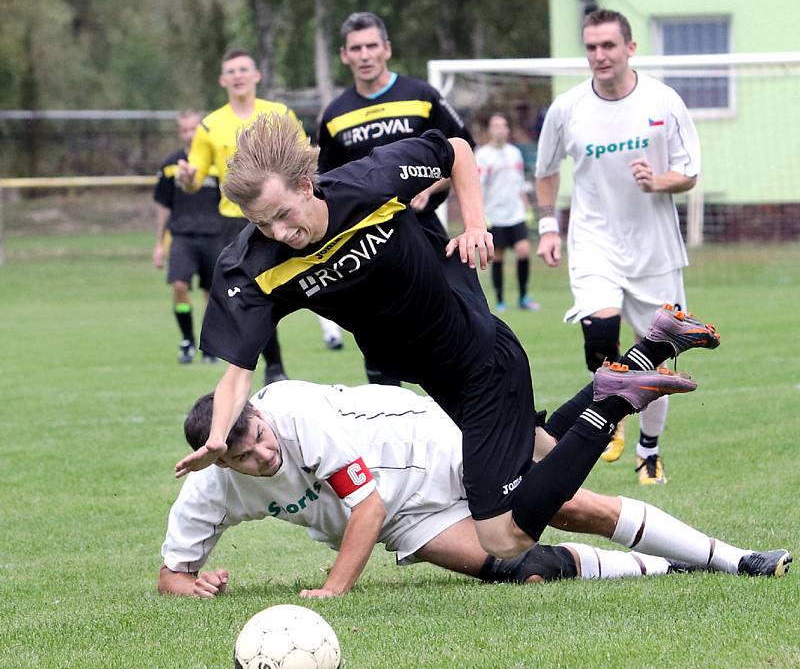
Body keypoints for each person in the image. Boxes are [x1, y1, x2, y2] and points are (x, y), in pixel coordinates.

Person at [175, 111, 719, 563]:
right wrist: (218, 438)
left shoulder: (370, 182)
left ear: (305, 184)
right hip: (438, 375)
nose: (277, 232)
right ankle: (649, 350)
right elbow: (237, 371)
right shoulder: (256, 264)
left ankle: (613, 399)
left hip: (477, 355)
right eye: (261, 223)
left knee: (503, 538)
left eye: (282, 215)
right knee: (545, 456)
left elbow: (455, 149)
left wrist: (476, 224)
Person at [159, 381, 791, 597]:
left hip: (432, 446)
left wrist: (333, 589)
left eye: (263, 436)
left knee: (565, 506)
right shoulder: (209, 488)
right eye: (247, 455)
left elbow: (365, 504)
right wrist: (196, 585)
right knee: (515, 566)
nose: (265, 453)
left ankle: (739, 560)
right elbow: (171, 576)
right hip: (403, 518)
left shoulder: (293, 408)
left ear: (263, 414)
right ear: (220, 458)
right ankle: (664, 569)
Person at [535, 9, 702, 484]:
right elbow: (545, 171)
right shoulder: (567, 108)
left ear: (630, 48)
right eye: (591, 47)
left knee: (659, 353)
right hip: (594, 242)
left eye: (608, 45)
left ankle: (650, 451)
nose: (599, 55)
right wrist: (548, 225)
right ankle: (614, 417)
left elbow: (688, 173)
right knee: (599, 331)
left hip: (655, 249)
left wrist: (659, 181)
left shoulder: (663, 101)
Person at [317, 11, 475, 385]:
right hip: (368, 248)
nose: (365, 54)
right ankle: (389, 433)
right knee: (380, 349)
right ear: (344, 55)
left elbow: (464, 149)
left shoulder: (422, 96)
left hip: (424, 235)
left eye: (372, 45)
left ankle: (460, 423)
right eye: (357, 48)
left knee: (447, 333)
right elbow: (327, 186)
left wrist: (428, 186)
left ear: (387, 48)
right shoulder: (335, 115)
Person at [175, 48, 341, 382]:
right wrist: (187, 178)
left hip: (287, 214)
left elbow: (304, 157)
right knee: (255, 296)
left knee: (321, 277)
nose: (237, 75)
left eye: (243, 69)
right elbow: (195, 179)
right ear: (223, 79)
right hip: (238, 223)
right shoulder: (210, 125)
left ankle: (342, 330)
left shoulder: (278, 113)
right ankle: (274, 367)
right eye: (231, 71)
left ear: (256, 75)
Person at [153, 110, 225, 364]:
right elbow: (163, 206)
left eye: (194, 128)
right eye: (184, 129)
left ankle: (209, 346)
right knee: (180, 286)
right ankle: (186, 339)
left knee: (211, 293)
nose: (189, 134)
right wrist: (159, 244)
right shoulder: (172, 165)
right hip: (182, 236)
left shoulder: (216, 163)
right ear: (179, 132)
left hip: (215, 235)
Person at [475, 113, 540, 313]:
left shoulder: (514, 153)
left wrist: (527, 206)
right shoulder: (482, 155)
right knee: (498, 257)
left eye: (503, 126)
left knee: (523, 251)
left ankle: (523, 297)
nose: (500, 129)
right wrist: (479, 215)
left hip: (516, 214)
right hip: (494, 216)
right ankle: (500, 300)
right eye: (496, 126)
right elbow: (477, 187)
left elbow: (520, 183)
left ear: (507, 130)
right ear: (490, 131)